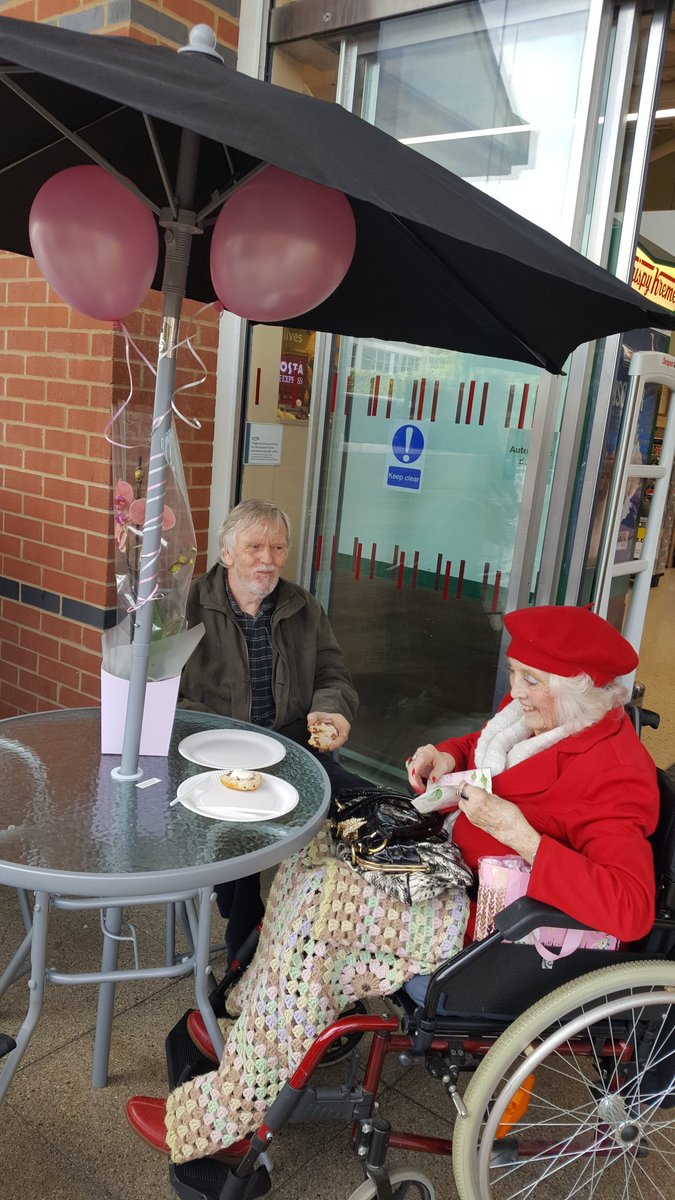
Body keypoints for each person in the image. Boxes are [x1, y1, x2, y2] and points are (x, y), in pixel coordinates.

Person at [127, 604, 659, 1166]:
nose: (515, 691)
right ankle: (254, 1022)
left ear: (577, 691)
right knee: (312, 855)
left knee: (322, 908)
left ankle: (228, 1115)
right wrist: (446, 754)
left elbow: (631, 907)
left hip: (489, 927)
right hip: (444, 868)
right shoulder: (543, 720)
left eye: (531, 680)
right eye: (515, 673)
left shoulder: (614, 773)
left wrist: (521, 836)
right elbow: (488, 746)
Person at [179, 497, 365, 961]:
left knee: (368, 806)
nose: (269, 560)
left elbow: (333, 675)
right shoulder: (187, 604)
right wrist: (214, 735)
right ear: (227, 552)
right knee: (245, 827)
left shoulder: (302, 607)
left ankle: (340, 935)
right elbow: (159, 691)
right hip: (212, 754)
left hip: (295, 748)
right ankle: (247, 953)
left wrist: (331, 711)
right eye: (255, 547)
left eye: (278, 548)